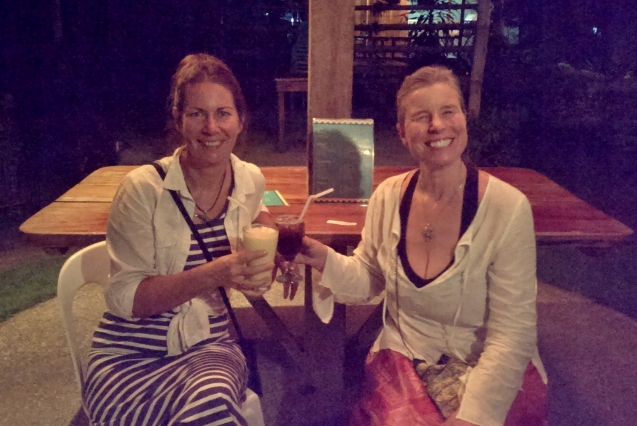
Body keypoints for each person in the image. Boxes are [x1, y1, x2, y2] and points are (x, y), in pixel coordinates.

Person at [295, 66, 548, 426]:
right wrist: (321, 257)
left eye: (448, 111)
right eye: (421, 117)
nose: (437, 125)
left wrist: (471, 417)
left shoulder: (508, 208)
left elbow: (513, 333)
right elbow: (369, 277)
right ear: (402, 133)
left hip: (488, 365)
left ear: (463, 119)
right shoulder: (387, 196)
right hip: (406, 357)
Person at [83, 53, 279, 425]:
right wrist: (215, 273)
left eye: (223, 113)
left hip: (208, 346)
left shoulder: (249, 179)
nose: (211, 127)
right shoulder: (143, 189)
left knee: (212, 404)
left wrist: (276, 249)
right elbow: (126, 298)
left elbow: (256, 211)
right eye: (197, 113)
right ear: (178, 120)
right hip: (127, 354)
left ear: (240, 120)